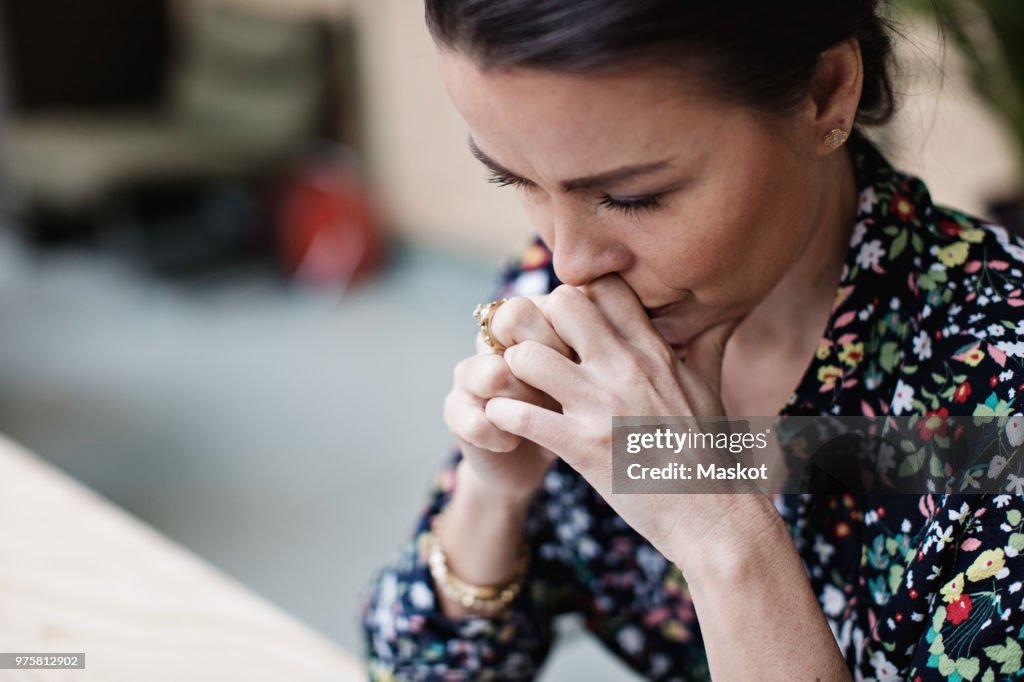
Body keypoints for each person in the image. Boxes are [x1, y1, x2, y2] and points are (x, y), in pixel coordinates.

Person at [361, 1, 1024, 679]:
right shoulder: (562, 299)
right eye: (516, 180)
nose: (570, 260)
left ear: (824, 93)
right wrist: (492, 494)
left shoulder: (997, 393)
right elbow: (417, 666)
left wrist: (716, 527)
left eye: (633, 196)